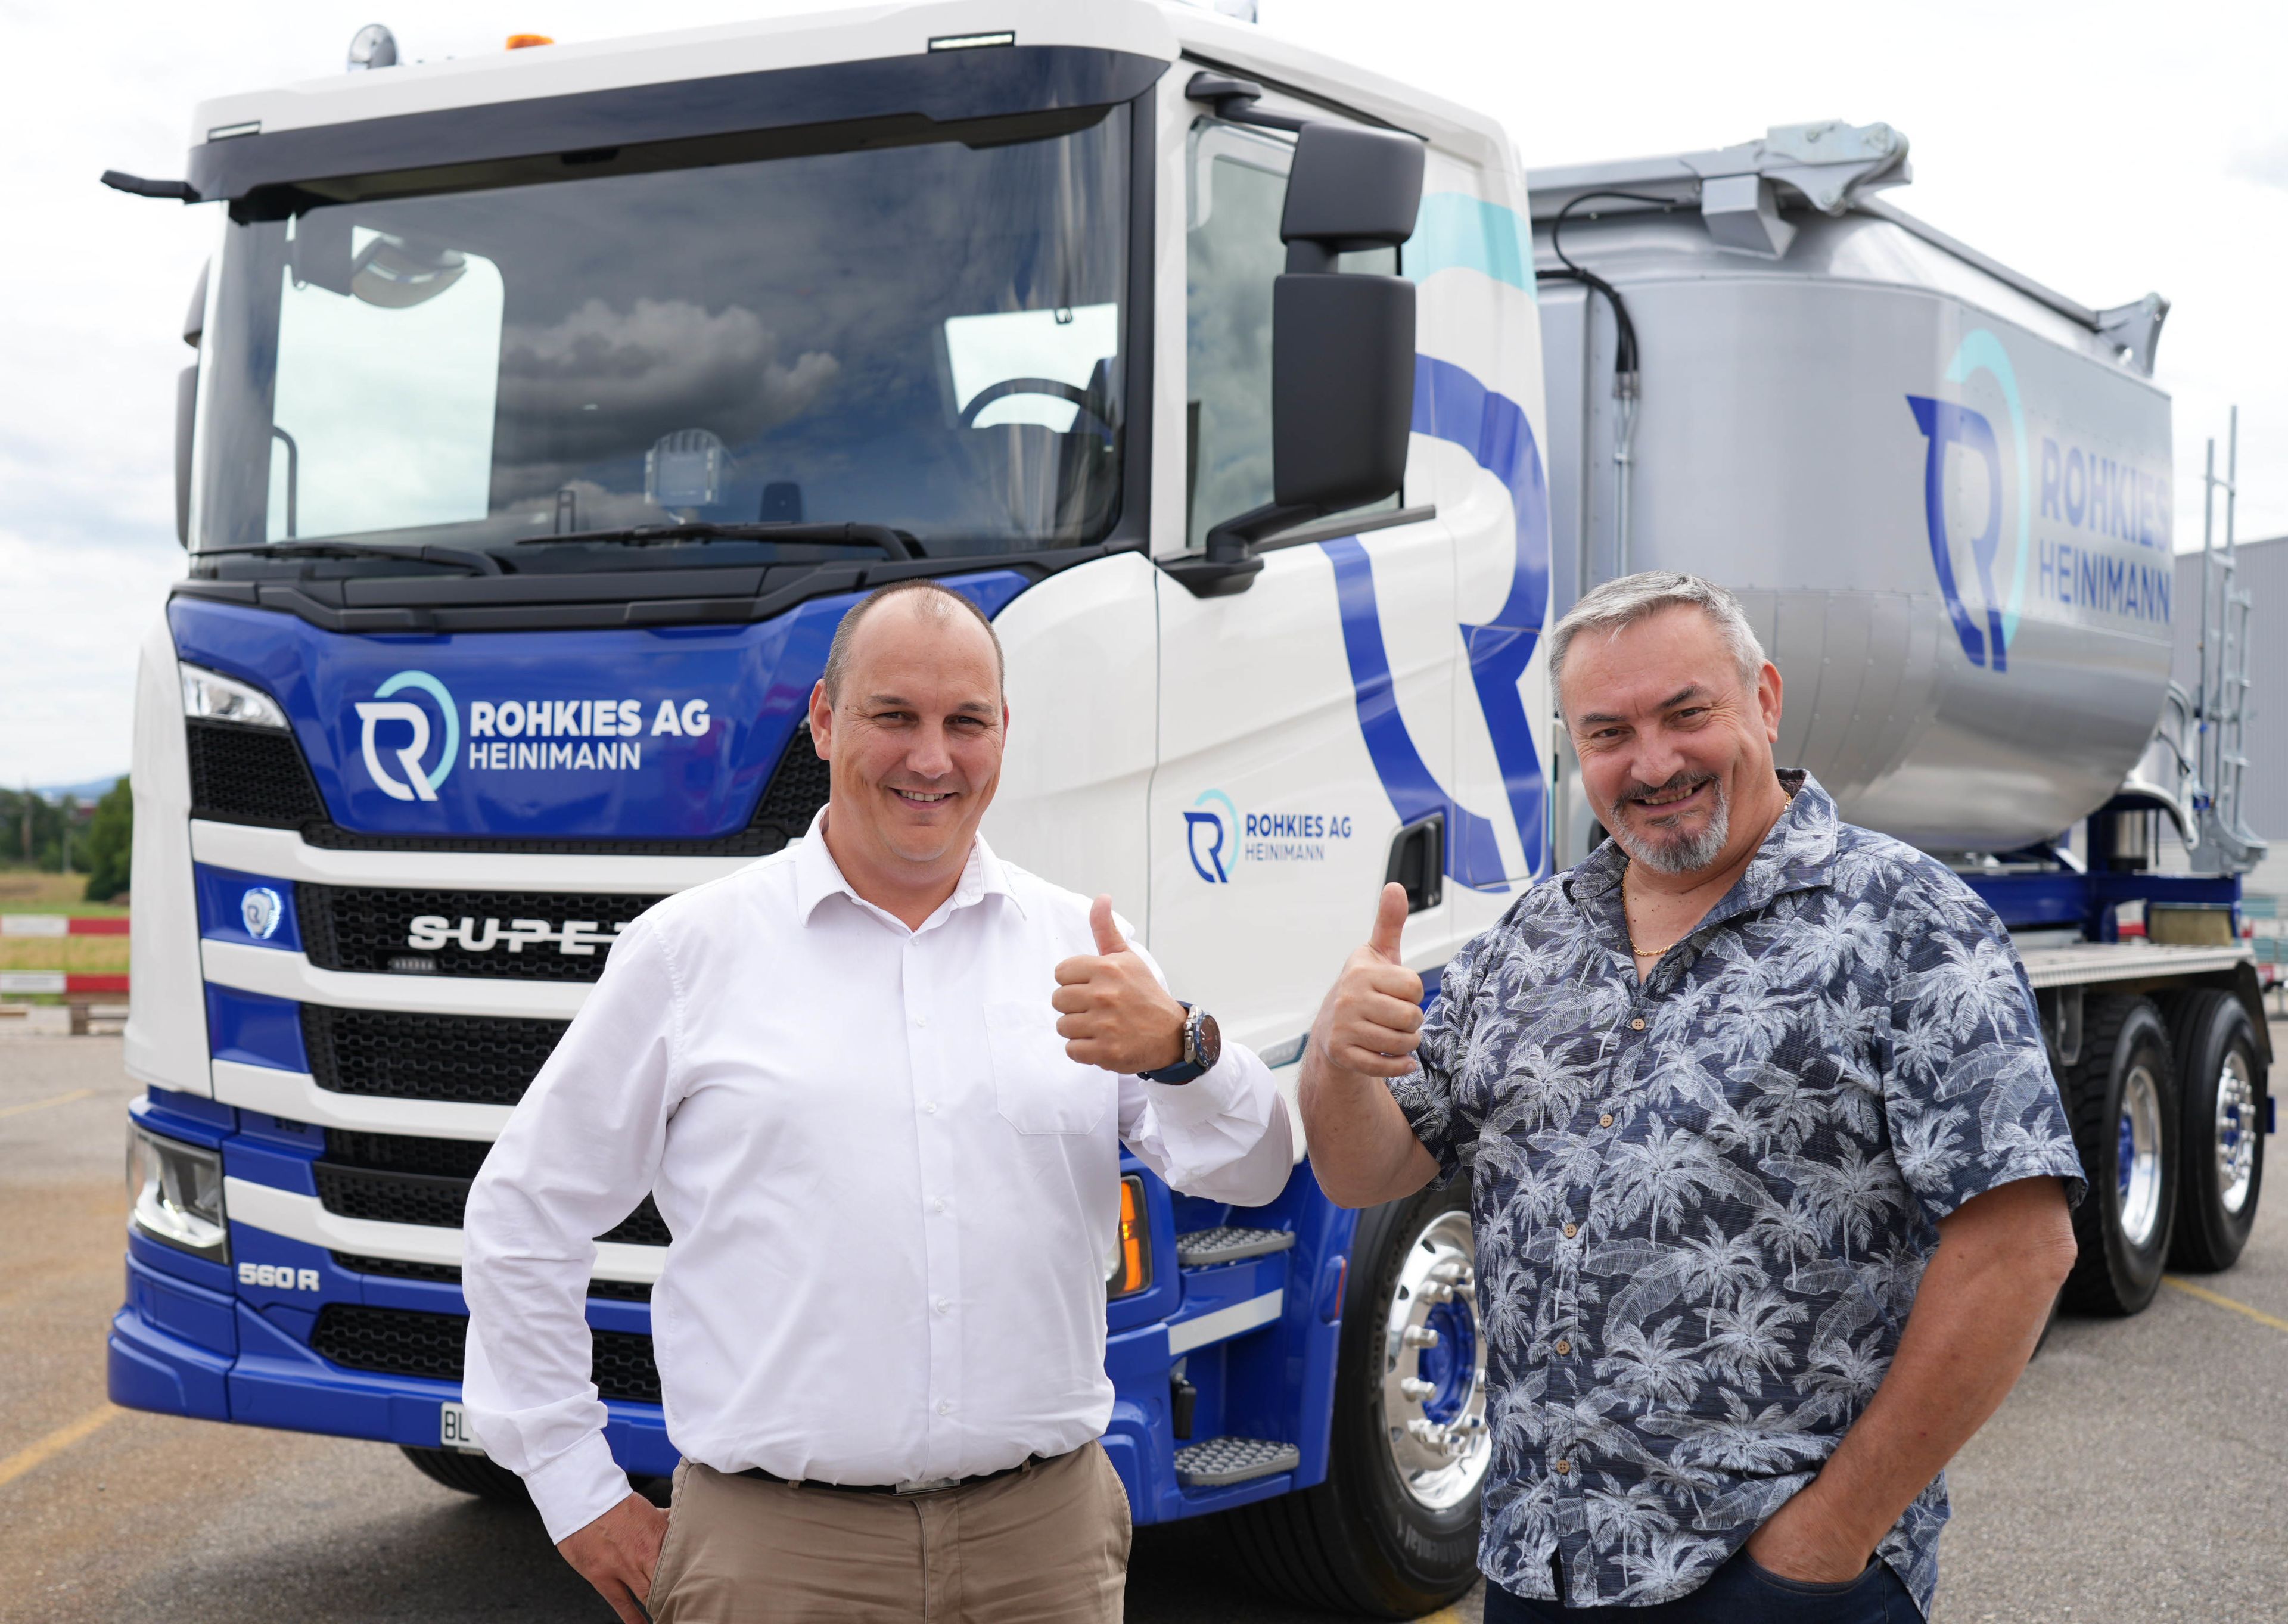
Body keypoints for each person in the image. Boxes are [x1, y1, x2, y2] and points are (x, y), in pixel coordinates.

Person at [461, 578, 1294, 1624]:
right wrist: (576, 1490)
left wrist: (1183, 1046)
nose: (932, 758)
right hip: (778, 1560)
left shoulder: (1082, 949)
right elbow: (524, 1214)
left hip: (1041, 1552)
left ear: (1003, 731)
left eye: (966, 722)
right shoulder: (689, 953)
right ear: (823, 720)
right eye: (894, 715)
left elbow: (1257, 1169)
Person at [1300, 571, 2084, 1621]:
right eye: (1609, 732)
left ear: (1765, 699)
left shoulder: (1910, 923)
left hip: (1773, 1581)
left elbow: (2020, 1248)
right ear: (1575, 749)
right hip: (1541, 1566)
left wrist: (1831, 1536)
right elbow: (1365, 1168)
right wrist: (1337, 1055)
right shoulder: (1528, 940)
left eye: (1686, 713)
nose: (1654, 762)